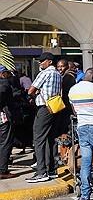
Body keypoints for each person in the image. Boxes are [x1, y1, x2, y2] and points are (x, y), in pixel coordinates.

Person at [26, 52, 62, 183]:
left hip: (44, 108)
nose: (40, 63)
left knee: (39, 138)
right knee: (50, 138)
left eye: (42, 61)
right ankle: (52, 170)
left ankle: (41, 172)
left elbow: (31, 90)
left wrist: (34, 95)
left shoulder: (44, 73)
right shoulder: (58, 74)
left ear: (49, 62)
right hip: (55, 107)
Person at [68, 68, 93, 200]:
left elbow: (75, 111)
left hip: (81, 127)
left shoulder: (73, 90)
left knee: (86, 162)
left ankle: (85, 195)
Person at [0, 65, 15, 179]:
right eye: (6, 73)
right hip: (3, 117)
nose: (7, 75)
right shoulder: (4, 84)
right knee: (5, 143)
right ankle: (3, 170)